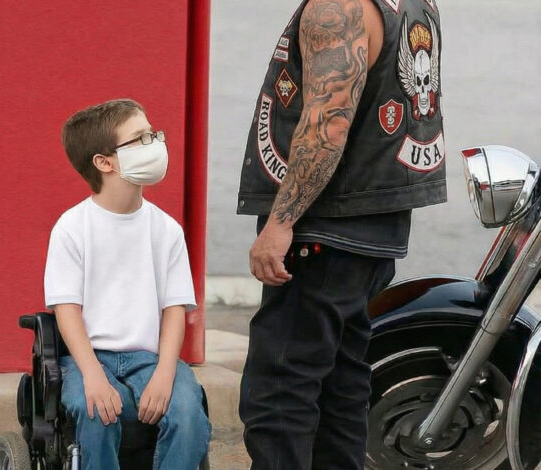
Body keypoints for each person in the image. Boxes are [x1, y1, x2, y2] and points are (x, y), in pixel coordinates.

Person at [236, 0, 445, 469]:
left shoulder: (339, 7)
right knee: (342, 388)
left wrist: (281, 222)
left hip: (325, 227)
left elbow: (327, 127)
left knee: (280, 389)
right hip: (376, 224)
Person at [44, 99, 211, 470]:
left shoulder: (166, 230)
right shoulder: (72, 228)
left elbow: (174, 310)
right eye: (141, 138)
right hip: (90, 357)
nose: (156, 144)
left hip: (150, 358)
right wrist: (92, 375)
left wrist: (165, 373)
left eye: (153, 134)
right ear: (105, 162)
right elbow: (66, 311)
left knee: (187, 411)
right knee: (97, 411)